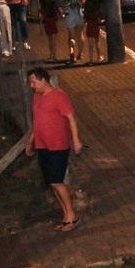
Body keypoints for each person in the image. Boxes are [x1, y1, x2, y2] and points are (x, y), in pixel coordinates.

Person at [24, 67, 83, 232]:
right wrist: (31, 142)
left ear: (43, 80)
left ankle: (72, 215)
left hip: (58, 145)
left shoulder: (59, 96)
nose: (31, 86)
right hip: (42, 145)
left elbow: (71, 118)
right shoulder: (37, 97)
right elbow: (37, 122)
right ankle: (66, 214)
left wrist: (76, 140)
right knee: (52, 182)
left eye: (33, 82)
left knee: (57, 181)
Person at [60, 0, 86, 64]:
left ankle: (72, 52)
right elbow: (83, 0)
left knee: (71, 36)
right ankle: (80, 53)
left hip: (69, 13)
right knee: (80, 34)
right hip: (79, 12)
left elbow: (61, 3)